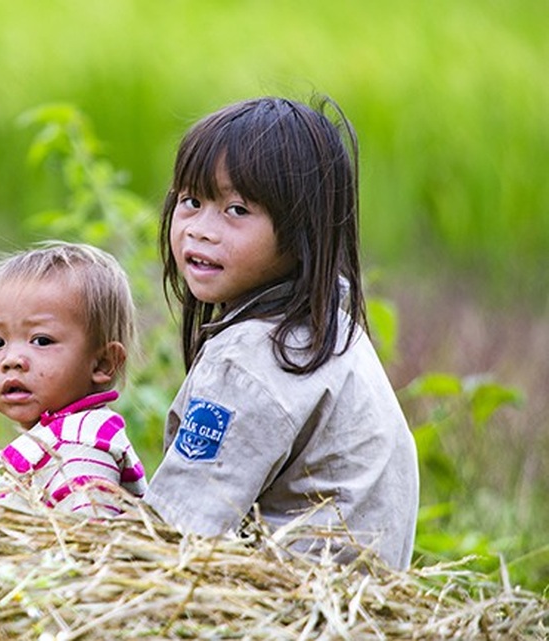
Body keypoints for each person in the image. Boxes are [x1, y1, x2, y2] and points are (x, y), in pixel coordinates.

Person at [144, 96, 419, 570]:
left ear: (301, 232)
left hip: (291, 608)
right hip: (358, 606)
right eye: (191, 202)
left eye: (236, 210)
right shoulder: (328, 327)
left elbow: (178, 534)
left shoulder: (250, 359)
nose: (200, 230)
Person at [0, 241, 147, 516]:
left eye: (41, 340)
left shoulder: (80, 451)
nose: (12, 360)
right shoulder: (56, 441)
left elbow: (90, 541)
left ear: (102, 363)